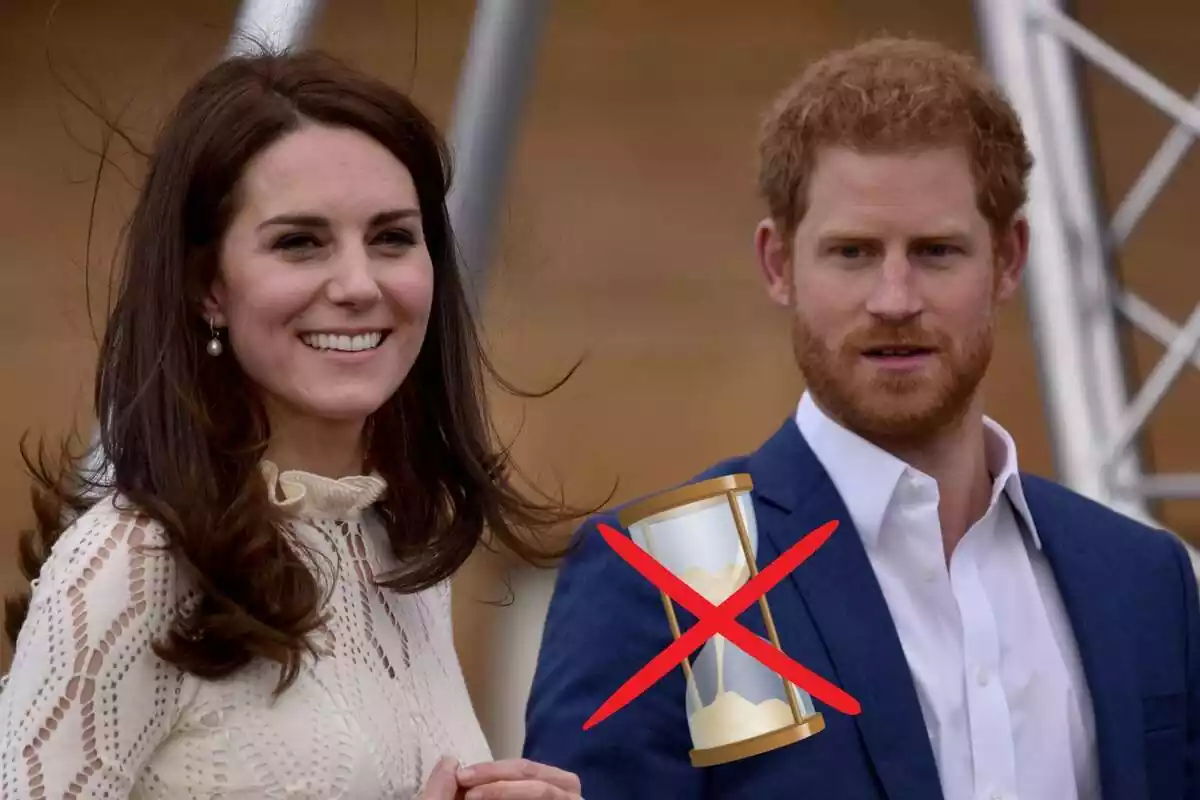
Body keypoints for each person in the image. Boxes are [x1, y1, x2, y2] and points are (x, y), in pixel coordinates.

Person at [523, 36, 1200, 800]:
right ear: (778, 264)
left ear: (1009, 260)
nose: (894, 298)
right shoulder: (674, 572)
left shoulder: (1142, 578)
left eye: (938, 251)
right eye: (852, 252)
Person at [0, 48, 583, 800]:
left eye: (392, 238)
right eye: (299, 243)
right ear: (208, 285)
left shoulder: (399, 556)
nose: (357, 284)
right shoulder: (130, 562)